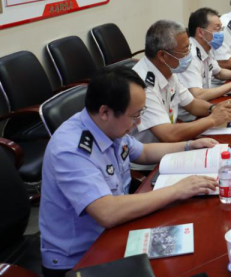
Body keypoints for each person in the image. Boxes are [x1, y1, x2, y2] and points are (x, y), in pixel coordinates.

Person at [39, 67, 219, 277]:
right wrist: (177, 189)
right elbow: (107, 212)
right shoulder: (71, 150)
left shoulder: (108, 126)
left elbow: (144, 152)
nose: (139, 122)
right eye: (135, 115)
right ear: (105, 112)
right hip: (81, 260)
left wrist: (189, 145)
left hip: (115, 232)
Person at [131, 20, 231, 147]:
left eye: (189, 47)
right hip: (151, 156)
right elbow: (168, 134)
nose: (189, 54)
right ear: (163, 55)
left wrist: (214, 109)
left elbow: (192, 104)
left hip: (169, 147)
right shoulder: (142, 85)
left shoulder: (167, 69)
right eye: (185, 50)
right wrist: (213, 119)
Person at [177, 7, 231, 120]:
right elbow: (198, 95)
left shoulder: (206, 48)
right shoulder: (191, 56)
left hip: (205, 109)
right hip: (190, 118)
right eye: (217, 28)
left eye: (221, 28)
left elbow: (219, 72)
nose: (221, 33)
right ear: (200, 32)